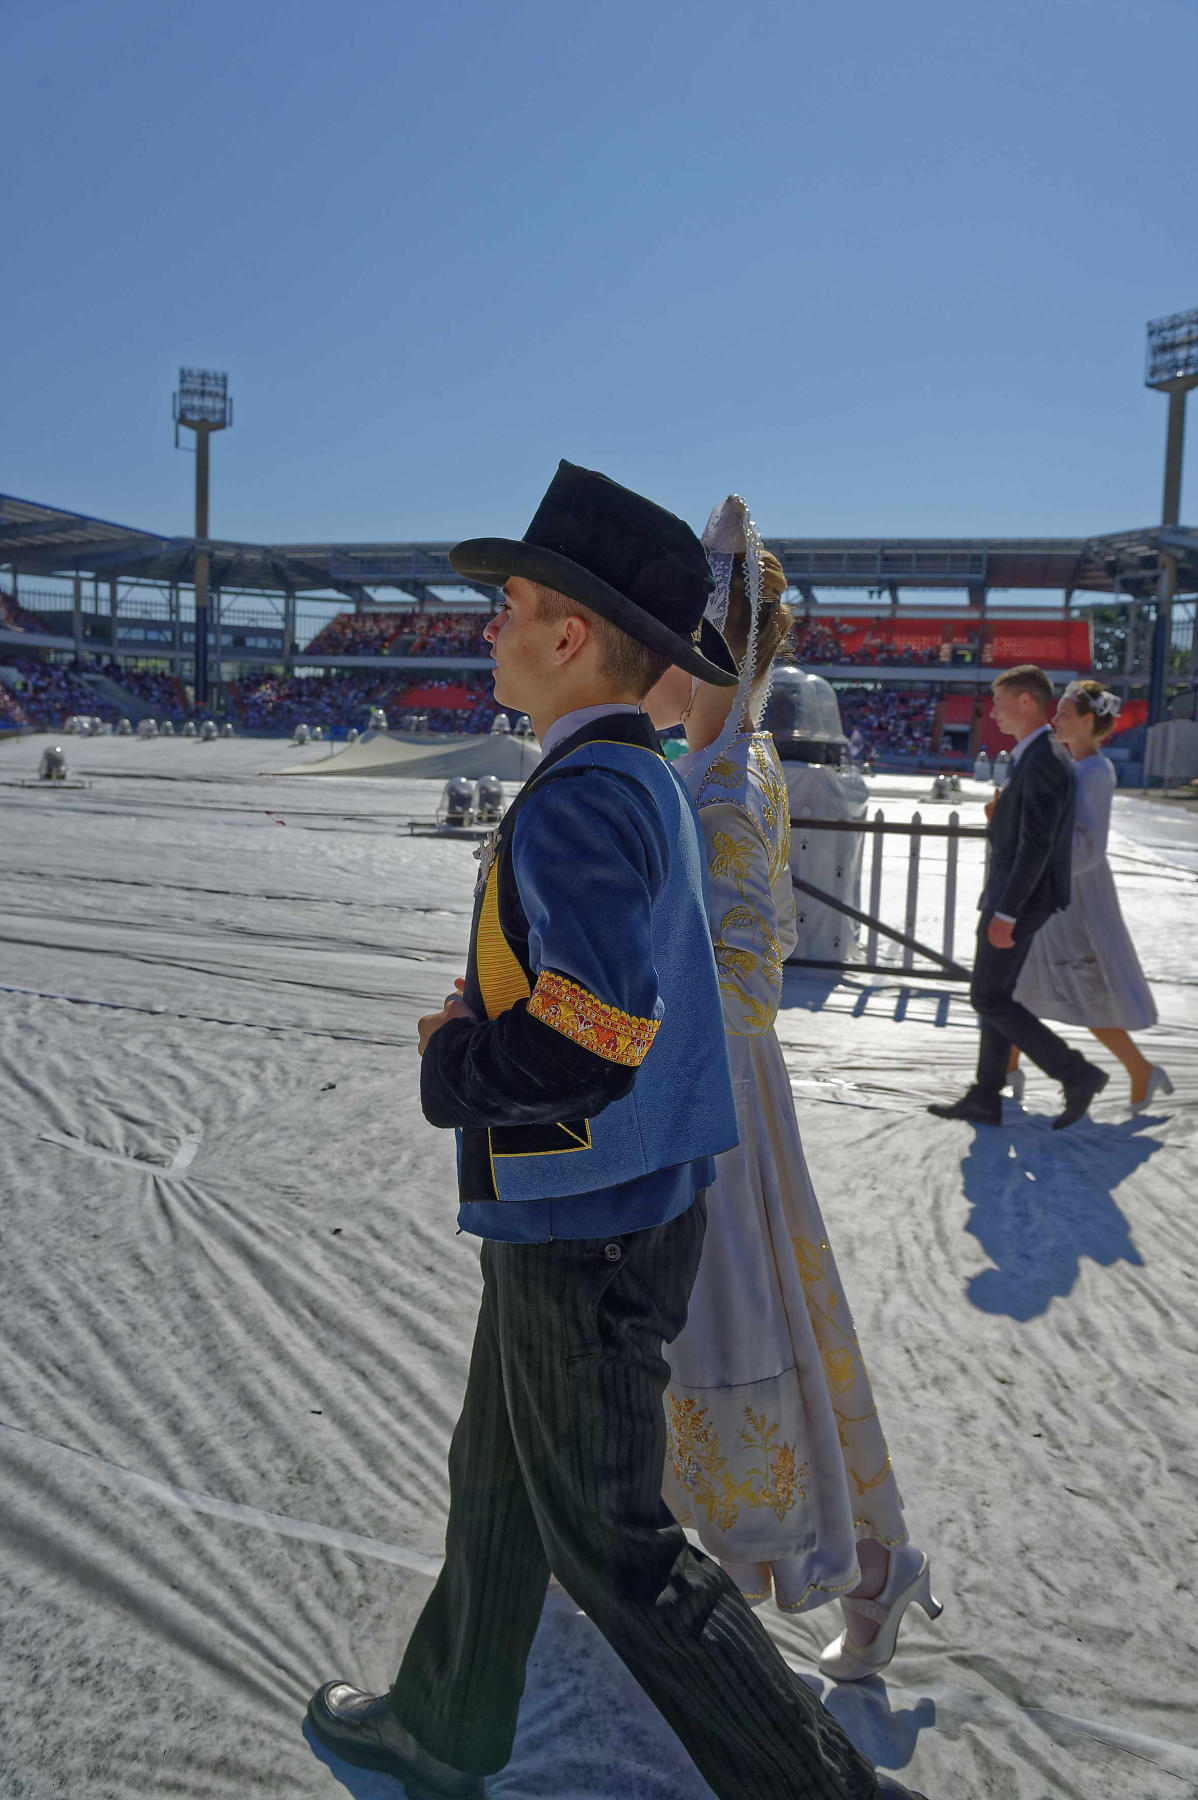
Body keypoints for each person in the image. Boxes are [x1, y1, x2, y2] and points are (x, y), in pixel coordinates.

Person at [306, 462, 929, 1800]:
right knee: (496, 1485)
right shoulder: (631, 772)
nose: (489, 627)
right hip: (600, 1214)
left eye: (510, 605)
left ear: (571, 635)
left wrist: (456, 1057)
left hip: (579, 1233)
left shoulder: (583, 795)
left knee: (618, 1546)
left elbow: (593, 1036)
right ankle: (442, 1727)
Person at [644, 497, 939, 1687]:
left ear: (707, 649)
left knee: (733, 1331)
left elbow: (732, 980)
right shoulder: (723, 758)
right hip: (720, 1089)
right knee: (768, 1332)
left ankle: (860, 1569)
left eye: (659, 634)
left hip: (705, 1097)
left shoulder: (719, 775)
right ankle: (865, 1567)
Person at [929, 664, 1108, 1130]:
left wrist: (1007, 912)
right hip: (1013, 896)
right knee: (996, 994)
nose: (994, 712)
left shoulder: (1045, 758)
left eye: (1001, 701)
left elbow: (1037, 846)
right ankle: (987, 1095)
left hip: (1018, 901)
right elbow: (1026, 832)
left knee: (988, 997)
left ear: (1027, 701)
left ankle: (1077, 1072)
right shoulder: (1035, 754)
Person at [1006, 679, 1170, 1112]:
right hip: (1055, 890)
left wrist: (1042, 866)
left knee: (1085, 993)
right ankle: (1005, 1072)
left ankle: (1140, 1069)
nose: (1054, 719)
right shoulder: (1073, 766)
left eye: (1062, 713)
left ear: (1086, 720)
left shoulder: (1096, 772)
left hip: (1075, 898)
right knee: (1020, 984)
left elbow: (1089, 848)